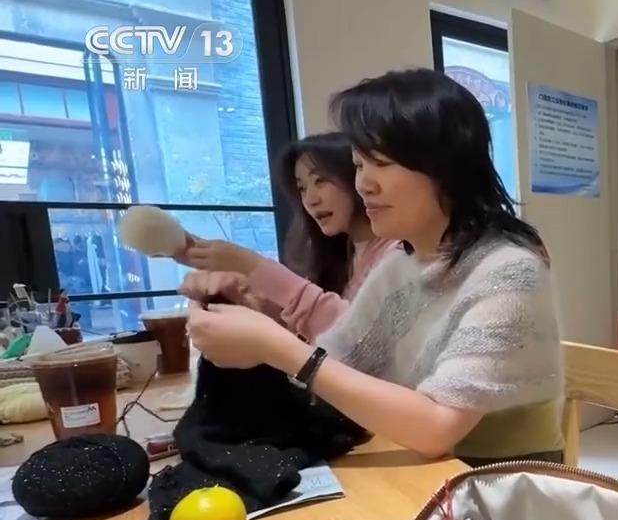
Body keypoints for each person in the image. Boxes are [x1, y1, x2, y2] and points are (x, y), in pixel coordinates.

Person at [184, 68, 564, 466]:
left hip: (503, 484)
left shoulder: (508, 270)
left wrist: (275, 347)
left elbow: (437, 427)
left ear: (444, 165)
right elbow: (336, 363)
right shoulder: (402, 264)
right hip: (428, 473)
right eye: (358, 165)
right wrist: (256, 321)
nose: (363, 184)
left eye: (379, 162)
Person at [178, 132, 397, 341]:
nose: (310, 200)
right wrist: (240, 293)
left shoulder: (396, 253)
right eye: (302, 188)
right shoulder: (341, 255)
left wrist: (252, 265)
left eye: (320, 181)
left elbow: (355, 334)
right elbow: (304, 328)